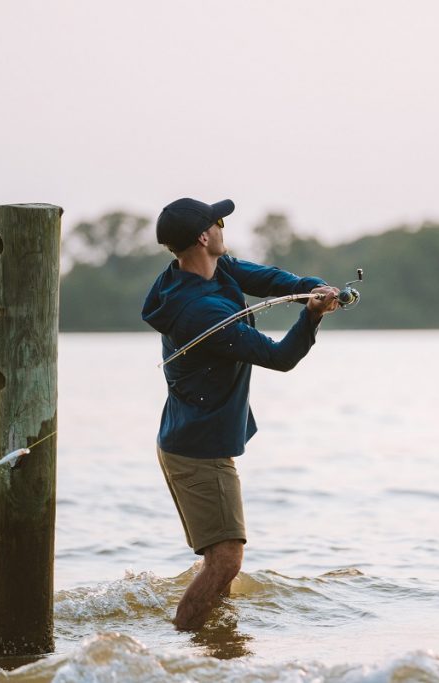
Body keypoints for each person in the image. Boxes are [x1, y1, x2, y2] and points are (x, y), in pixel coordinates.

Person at [141, 197, 339, 630]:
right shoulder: (200, 314)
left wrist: (313, 287)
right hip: (197, 447)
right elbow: (281, 356)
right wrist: (311, 317)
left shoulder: (208, 269)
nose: (224, 225)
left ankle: (214, 653)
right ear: (204, 236)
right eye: (219, 221)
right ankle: (183, 640)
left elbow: (268, 280)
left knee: (219, 560)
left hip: (192, 436)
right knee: (226, 561)